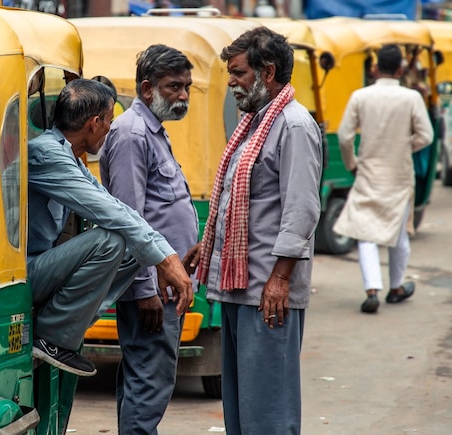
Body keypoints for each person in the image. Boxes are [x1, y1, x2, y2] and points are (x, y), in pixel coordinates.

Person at [188, 27, 322, 434]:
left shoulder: (294, 126)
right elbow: (241, 202)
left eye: (238, 73)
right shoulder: (253, 126)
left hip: (268, 292)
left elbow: (301, 210)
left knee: (269, 411)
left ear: (267, 72)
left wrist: (280, 279)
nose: (231, 82)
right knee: (243, 411)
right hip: (238, 288)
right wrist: (205, 247)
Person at [27, 78, 194, 377]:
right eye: (108, 122)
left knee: (133, 245)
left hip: (43, 269)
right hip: (27, 271)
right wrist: (166, 259)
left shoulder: (70, 158)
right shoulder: (46, 154)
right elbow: (108, 213)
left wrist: (159, 258)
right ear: (94, 123)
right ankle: (51, 337)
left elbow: (117, 207)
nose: (109, 130)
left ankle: (73, 322)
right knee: (110, 240)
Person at [99, 44, 197, 435]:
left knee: (144, 380)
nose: (183, 95)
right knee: (150, 383)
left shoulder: (151, 131)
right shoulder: (132, 135)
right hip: (152, 288)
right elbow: (129, 219)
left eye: (187, 86)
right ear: (146, 88)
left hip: (164, 284)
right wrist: (143, 289)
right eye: (175, 86)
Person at [333, 44, 434, 314]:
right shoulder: (411, 98)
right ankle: (397, 287)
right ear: (401, 70)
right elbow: (426, 136)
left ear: (375, 68)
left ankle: (372, 289)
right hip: (399, 174)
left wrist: (352, 164)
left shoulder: (360, 96)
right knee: (398, 235)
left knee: (366, 233)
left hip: (367, 171)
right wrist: (403, 147)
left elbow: (344, 137)